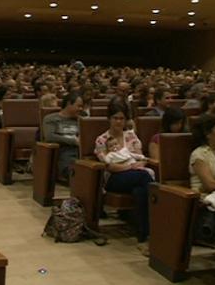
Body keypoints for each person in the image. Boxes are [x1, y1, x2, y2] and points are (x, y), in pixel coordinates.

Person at [94, 102, 153, 249]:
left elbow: (141, 157)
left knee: (140, 191)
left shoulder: (131, 136)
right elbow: (110, 166)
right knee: (145, 178)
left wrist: (141, 165)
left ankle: (142, 237)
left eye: (122, 118)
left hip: (135, 176)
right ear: (109, 119)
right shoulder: (102, 140)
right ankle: (152, 233)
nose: (119, 122)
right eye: (115, 118)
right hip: (114, 179)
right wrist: (129, 167)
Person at [42, 92, 85, 179]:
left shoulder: (81, 120)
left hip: (81, 151)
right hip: (64, 151)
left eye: (82, 106)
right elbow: (49, 137)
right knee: (76, 171)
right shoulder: (51, 118)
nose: (81, 109)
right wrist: (74, 141)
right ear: (69, 104)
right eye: (78, 106)